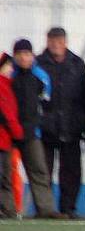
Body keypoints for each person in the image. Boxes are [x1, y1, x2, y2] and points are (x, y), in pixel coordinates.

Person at [0, 39, 61, 219]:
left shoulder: (39, 76)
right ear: (15, 56)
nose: (23, 57)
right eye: (19, 54)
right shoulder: (9, 77)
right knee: (6, 173)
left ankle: (46, 209)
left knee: (39, 171)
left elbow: (46, 103)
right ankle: (8, 209)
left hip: (31, 132)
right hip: (9, 133)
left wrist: (38, 124)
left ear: (32, 55)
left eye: (27, 54)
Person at [36, 27, 85, 218]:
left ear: (65, 43)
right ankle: (46, 208)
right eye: (52, 42)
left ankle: (68, 208)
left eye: (59, 42)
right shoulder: (37, 64)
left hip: (72, 128)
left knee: (71, 172)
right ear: (47, 42)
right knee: (44, 171)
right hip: (46, 129)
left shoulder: (77, 64)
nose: (55, 45)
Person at [0, 52, 24, 218]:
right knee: (4, 175)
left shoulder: (8, 85)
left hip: (5, 140)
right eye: (8, 66)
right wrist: (18, 132)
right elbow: (7, 114)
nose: (11, 69)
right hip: (3, 139)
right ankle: (7, 209)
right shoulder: (3, 86)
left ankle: (8, 209)